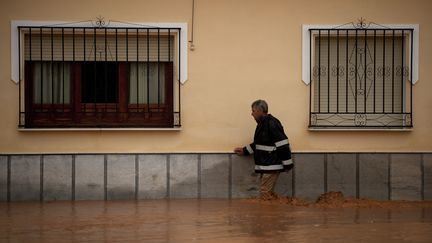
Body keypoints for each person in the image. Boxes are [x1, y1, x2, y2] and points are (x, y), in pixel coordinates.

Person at [234, 99, 293, 200]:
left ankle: (269, 215)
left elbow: (283, 144)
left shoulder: (272, 123)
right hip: (267, 166)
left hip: (271, 166)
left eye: (253, 111)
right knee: (267, 195)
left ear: (260, 111)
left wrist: (287, 164)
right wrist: (245, 150)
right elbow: (260, 143)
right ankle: (274, 213)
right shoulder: (262, 124)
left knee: (264, 195)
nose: (251, 114)